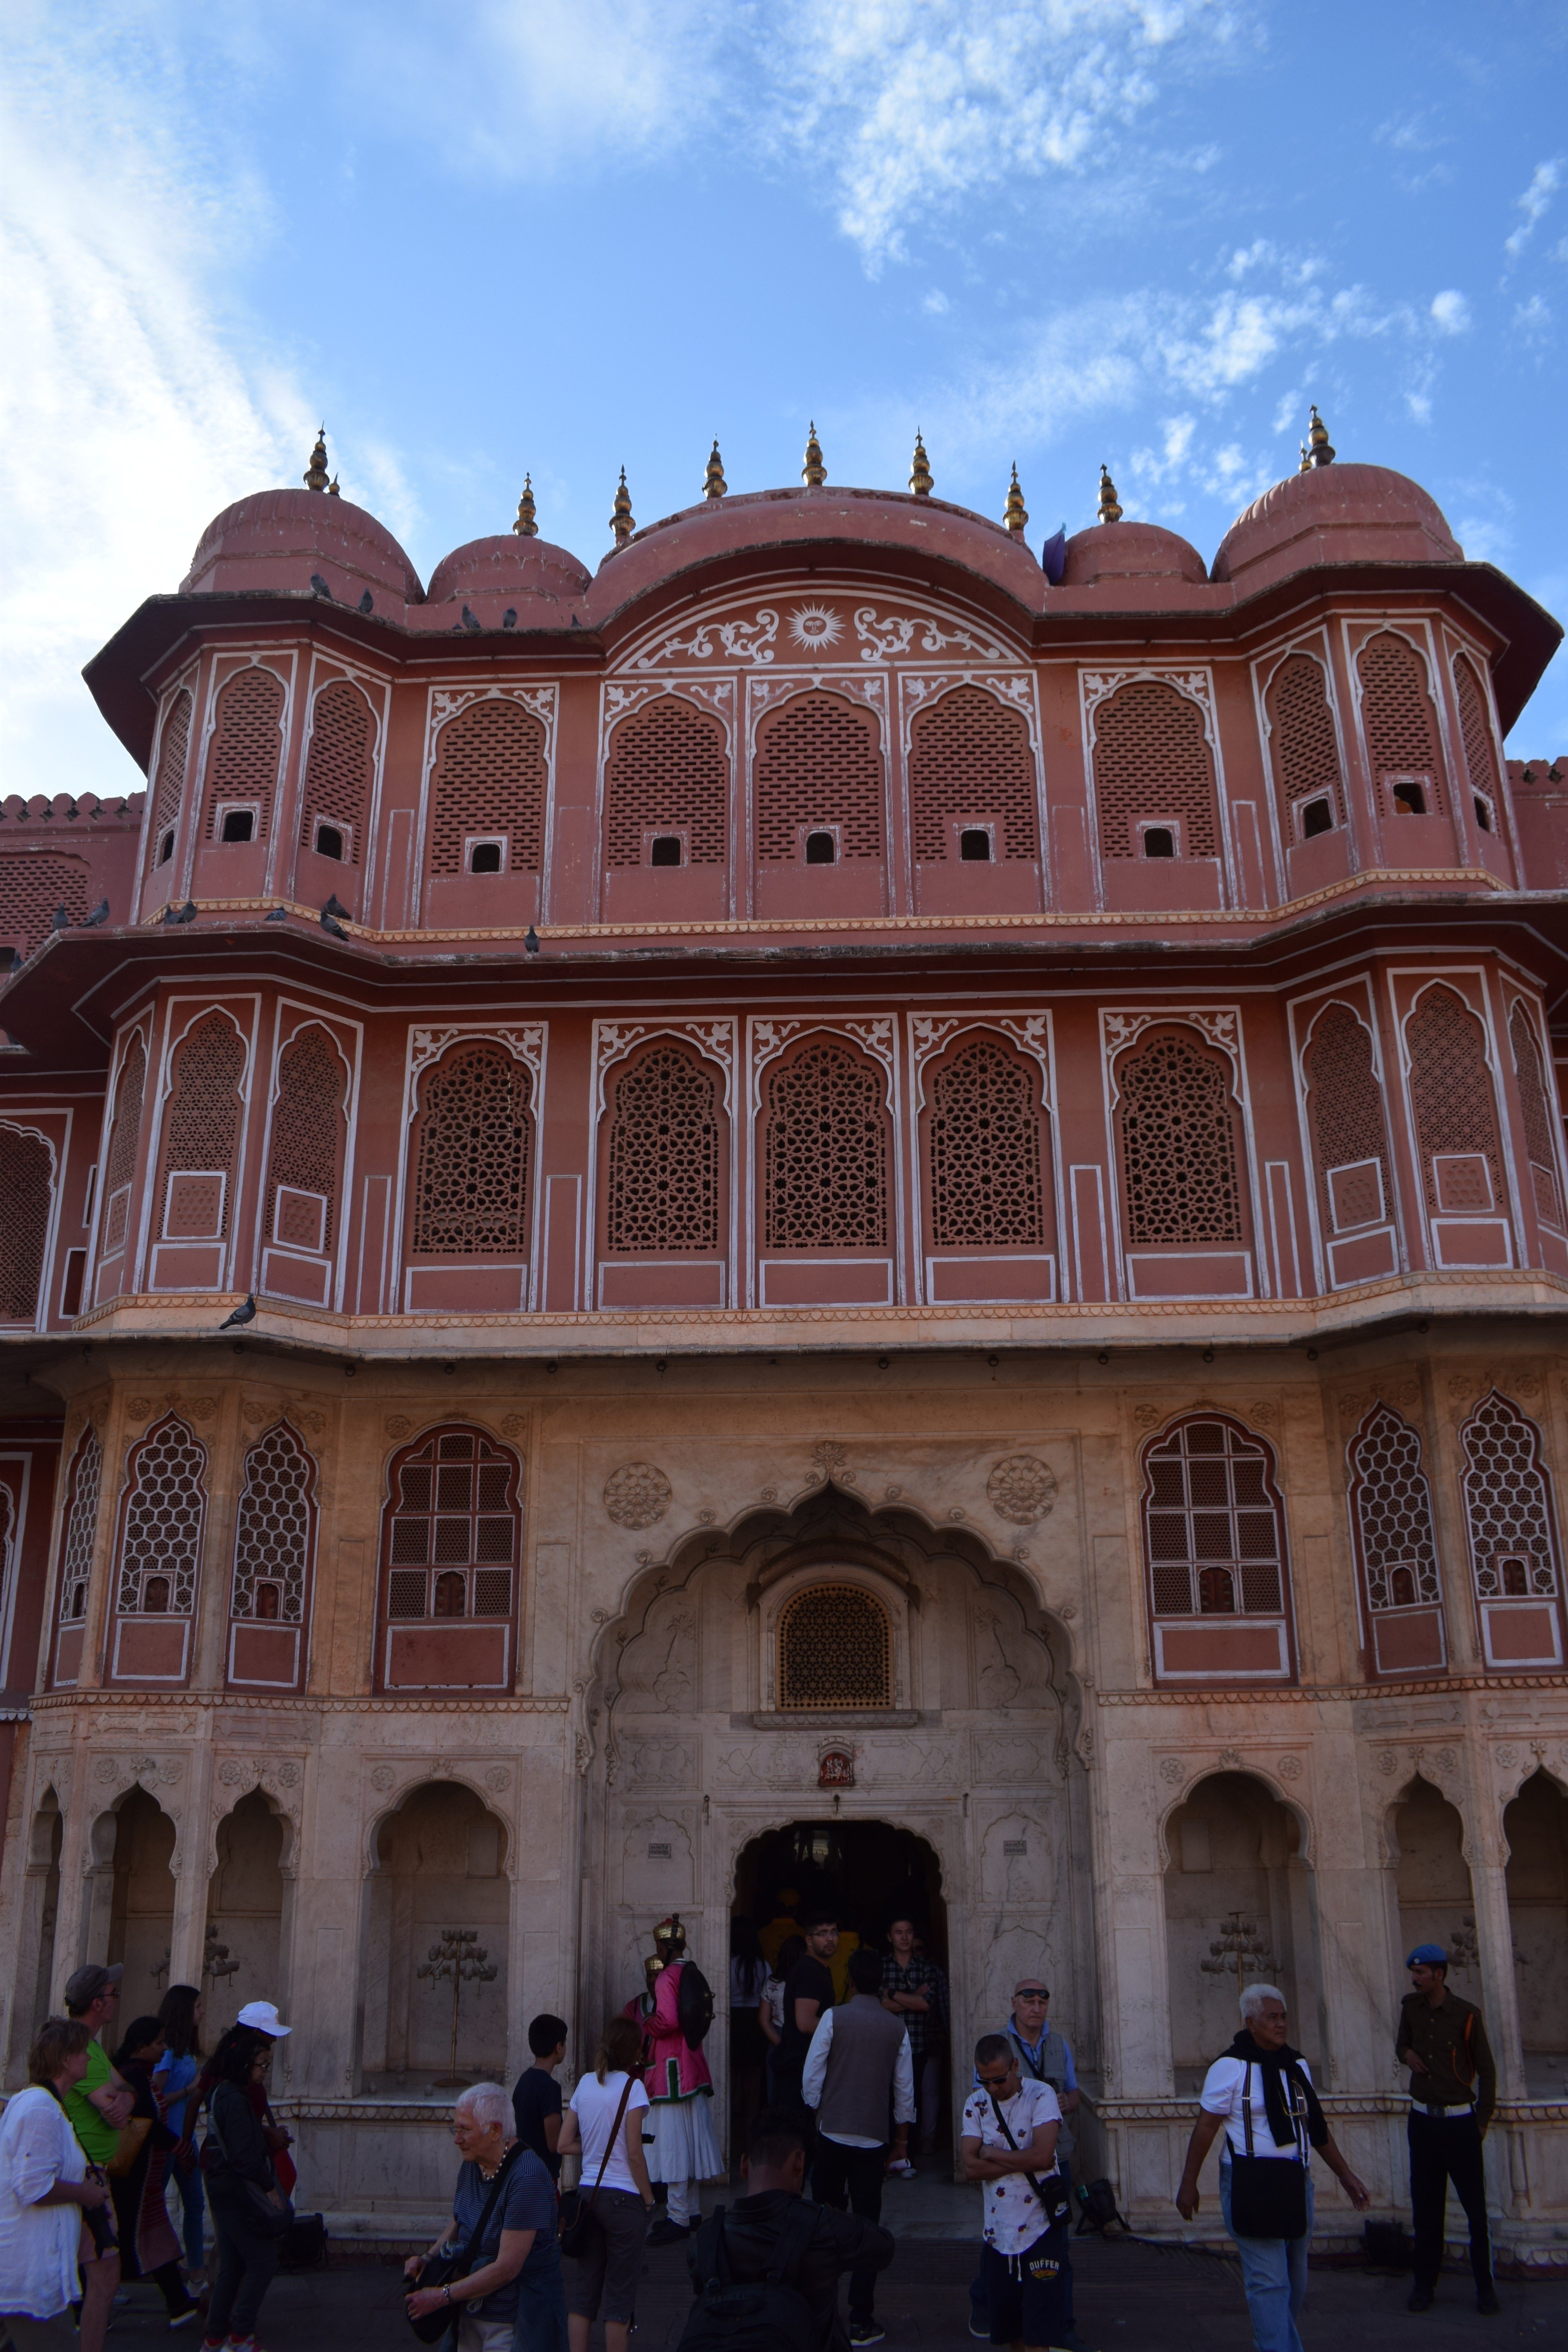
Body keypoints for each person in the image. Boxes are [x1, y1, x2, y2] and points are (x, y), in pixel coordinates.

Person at [1175, 1984, 1369, 2352]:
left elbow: (1315, 2125)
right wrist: (1190, 2183)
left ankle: (1274, 2341)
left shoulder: (1295, 2065)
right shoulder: (1230, 2067)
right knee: (1269, 2281)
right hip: (1250, 2180)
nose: (1281, 2025)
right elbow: (1205, 2127)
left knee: (1295, 2277)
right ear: (1250, 2023)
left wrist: (1345, 2175)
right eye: (1272, 2018)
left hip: (1296, 2180)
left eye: (1283, 2018)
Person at [685, 2109, 894, 2352]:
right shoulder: (824, 2228)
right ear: (799, 2164)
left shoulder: (705, 2241)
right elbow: (884, 2247)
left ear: (744, 2166)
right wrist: (822, 2210)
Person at [801, 1947, 913, 2348]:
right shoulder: (895, 2028)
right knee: (867, 2228)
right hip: (872, 2139)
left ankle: (820, 2314)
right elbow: (904, 2091)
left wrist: (819, 2112)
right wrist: (900, 2142)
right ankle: (861, 2320)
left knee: (823, 2223)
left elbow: (812, 2074)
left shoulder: (834, 2017)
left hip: (832, 2133)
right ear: (881, 1984)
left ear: (849, 1980)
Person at [405, 2082, 566, 2352]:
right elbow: (460, 2221)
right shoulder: (473, 2165)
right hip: (469, 2311)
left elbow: (507, 2269)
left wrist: (442, 2296)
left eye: (465, 2130)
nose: (457, 2139)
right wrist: (428, 2259)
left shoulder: (527, 2178)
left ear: (495, 2131)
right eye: (456, 2129)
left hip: (514, 2321)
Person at [968, 1978, 1084, 2346]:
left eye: (1042, 2000)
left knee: (1055, 2248)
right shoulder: (995, 2049)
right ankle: (987, 2305)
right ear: (1014, 2003)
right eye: (1029, 1999)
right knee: (1001, 2248)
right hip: (1019, 2170)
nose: (1037, 2006)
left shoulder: (1057, 2044)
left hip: (1055, 2157)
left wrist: (1066, 2102)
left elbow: (1073, 2092)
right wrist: (1026, 2160)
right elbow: (973, 2158)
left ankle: (1060, 2327)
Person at [1396, 1942, 1499, 2316]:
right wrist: (1407, 2055)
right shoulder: (1411, 2009)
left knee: (1475, 2210)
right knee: (1426, 2209)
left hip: (1460, 2124)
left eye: (1421, 1973)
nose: (1415, 1978)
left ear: (1439, 1975)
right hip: (1423, 2122)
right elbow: (1401, 2045)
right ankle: (1424, 2285)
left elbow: (1486, 2072)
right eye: (1415, 1972)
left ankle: (1485, 2287)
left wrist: (1481, 2122)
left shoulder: (1467, 2016)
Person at [0, 2017, 114, 2352]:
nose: (90, 2059)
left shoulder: (43, 2104)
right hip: (28, 2274)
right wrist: (87, 2193)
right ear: (66, 2059)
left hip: (24, 2270)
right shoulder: (41, 2108)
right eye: (84, 2053)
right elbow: (33, 2187)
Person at [961, 2033, 1070, 2352]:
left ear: (1015, 2066)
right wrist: (1024, 2160)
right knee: (1011, 2330)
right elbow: (970, 2168)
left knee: (1040, 2330)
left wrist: (992, 2154)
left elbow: (1043, 2156)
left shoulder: (1041, 2095)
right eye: (985, 2081)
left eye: (999, 2079)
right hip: (998, 2234)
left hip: (1041, 2228)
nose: (994, 2088)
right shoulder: (976, 2104)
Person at [556, 2014, 656, 2352]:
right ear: (634, 2051)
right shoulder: (633, 2087)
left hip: (588, 2197)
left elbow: (564, 2144)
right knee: (619, 2296)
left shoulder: (585, 2083)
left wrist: (597, 2146)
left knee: (584, 2291)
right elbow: (634, 2153)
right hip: (624, 2200)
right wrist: (649, 2198)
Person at [622, 1916, 721, 2245]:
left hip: (670, 2073)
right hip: (691, 2067)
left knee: (676, 2145)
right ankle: (691, 2212)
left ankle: (678, 2217)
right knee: (690, 2143)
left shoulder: (667, 1977)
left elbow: (668, 2021)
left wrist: (648, 2022)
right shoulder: (691, 1971)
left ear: (662, 1947)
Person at [199, 2028, 287, 2352]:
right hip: (237, 2192)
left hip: (223, 2187)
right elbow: (243, 2156)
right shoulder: (234, 2099)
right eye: (262, 2064)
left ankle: (216, 2338)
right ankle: (241, 2336)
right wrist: (269, 2188)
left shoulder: (223, 2092)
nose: (265, 2071)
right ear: (244, 2064)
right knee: (263, 2263)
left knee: (234, 2265)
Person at [109, 2016, 200, 2327]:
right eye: (159, 2043)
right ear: (141, 2046)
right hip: (134, 2176)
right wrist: (182, 2148)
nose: (163, 2049)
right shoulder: (134, 2077)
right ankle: (87, 2308)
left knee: (153, 2236)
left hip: (144, 2176)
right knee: (122, 2241)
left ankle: (178, 2302)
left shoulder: (138, 2075)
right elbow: (149, 2125)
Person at [60, 1965, 131, 2352]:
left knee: (99, 2276)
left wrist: (125, 2097)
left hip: (94, 2174)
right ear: (98, 2003)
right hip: (85, 2177)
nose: (117, 2001)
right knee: (103, 2276)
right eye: (113, 1994)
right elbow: (113, 2107)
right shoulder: (77, 2050)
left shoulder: (94, 2047)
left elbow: (125, 2090)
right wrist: (120, 2101)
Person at [879, 1916, 947, 2171]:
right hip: (887, 2045)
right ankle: (887, 2156)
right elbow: (880, 2004)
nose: (905, 1937)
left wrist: (894, 1994)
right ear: (890, 1937)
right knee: (887, 2101)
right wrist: (913, 1996)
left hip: (917, 2045)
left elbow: (926, 2004)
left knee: (914, 2101)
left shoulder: (927, 1968)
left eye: (909, 1932)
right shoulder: (882, 1967)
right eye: (899, 1932)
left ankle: (910, 2158)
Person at [153, 1986, 207, 2287]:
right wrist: (190, 2089)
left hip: (185, 2139)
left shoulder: (185, 2049)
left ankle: (196, 2268)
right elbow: (155, 2095)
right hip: (167, 2140)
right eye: (198, 2006)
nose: (202, 2011)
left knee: (195, 2204)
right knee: (154, 2206)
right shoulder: (169, 2052)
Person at [775, 1914, 840, 2120]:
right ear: (809, 1941)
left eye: (833, 1933)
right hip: (800, 2070)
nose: (830, 1939)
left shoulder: (816, 1969)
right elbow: (806, 2023)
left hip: (803, 2068)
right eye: (822, 1934)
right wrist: (843, 2028)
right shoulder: (810, 1972)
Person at [729, 1918, 770, 2163]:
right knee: (753, 2093)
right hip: (756, 2025)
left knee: (730, 2089)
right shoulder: (764, 1967)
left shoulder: (728, 1964)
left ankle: (730, 2147)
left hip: (733, 2024)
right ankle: (750, 2148)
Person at [512, 2013, 569, 2183]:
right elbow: (554, 2144)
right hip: (542, 2177)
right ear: (559, 2047)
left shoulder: (524, 2080)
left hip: (522, 2170)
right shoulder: (550, 2088)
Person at [760, 1934, 806, 2108]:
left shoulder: (772, 1983)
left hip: (776, 2040)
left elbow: (764, 2020)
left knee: (776, 2093)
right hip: (803, 2040)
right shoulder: (808, 1983)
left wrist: (781, 2045)